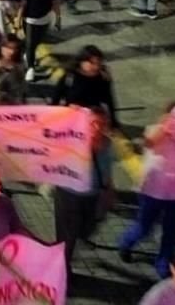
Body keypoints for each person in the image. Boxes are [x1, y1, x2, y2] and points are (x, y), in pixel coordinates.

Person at [119, 102, 175, 278]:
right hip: (152, 193)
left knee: (172, 233)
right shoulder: (155, 130)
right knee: (144, 227)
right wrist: (168, 128)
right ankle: (126, 243)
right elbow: (150, 143)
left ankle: (163, 265)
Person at [52, 106, 114, 269]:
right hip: (68, 195)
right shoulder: (73, 141)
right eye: (93, 123)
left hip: (92, 195)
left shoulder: (107, 145)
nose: (98, 128)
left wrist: (109, 189)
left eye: (102, 124)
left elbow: (107, 169)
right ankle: (62, 269)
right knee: (67, 236)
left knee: (87, 228)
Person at [51, 44, 121, 129]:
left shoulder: (103, 78)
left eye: (98, 63)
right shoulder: (70, 76)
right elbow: (56, 97)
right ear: (82, 61)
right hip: (71, 116)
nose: (95, 67)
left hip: (92, 118)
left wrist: (113, 121)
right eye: (91, 63)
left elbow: (109, 100)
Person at [17, 0, 61, 82]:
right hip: (30, 19)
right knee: (30, 43)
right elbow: (24, 2)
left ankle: (29, 55)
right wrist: (19, 17)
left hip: (45, 19)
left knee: (37, 42)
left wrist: (58, 18)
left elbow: (56, 4)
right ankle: (31, 68)